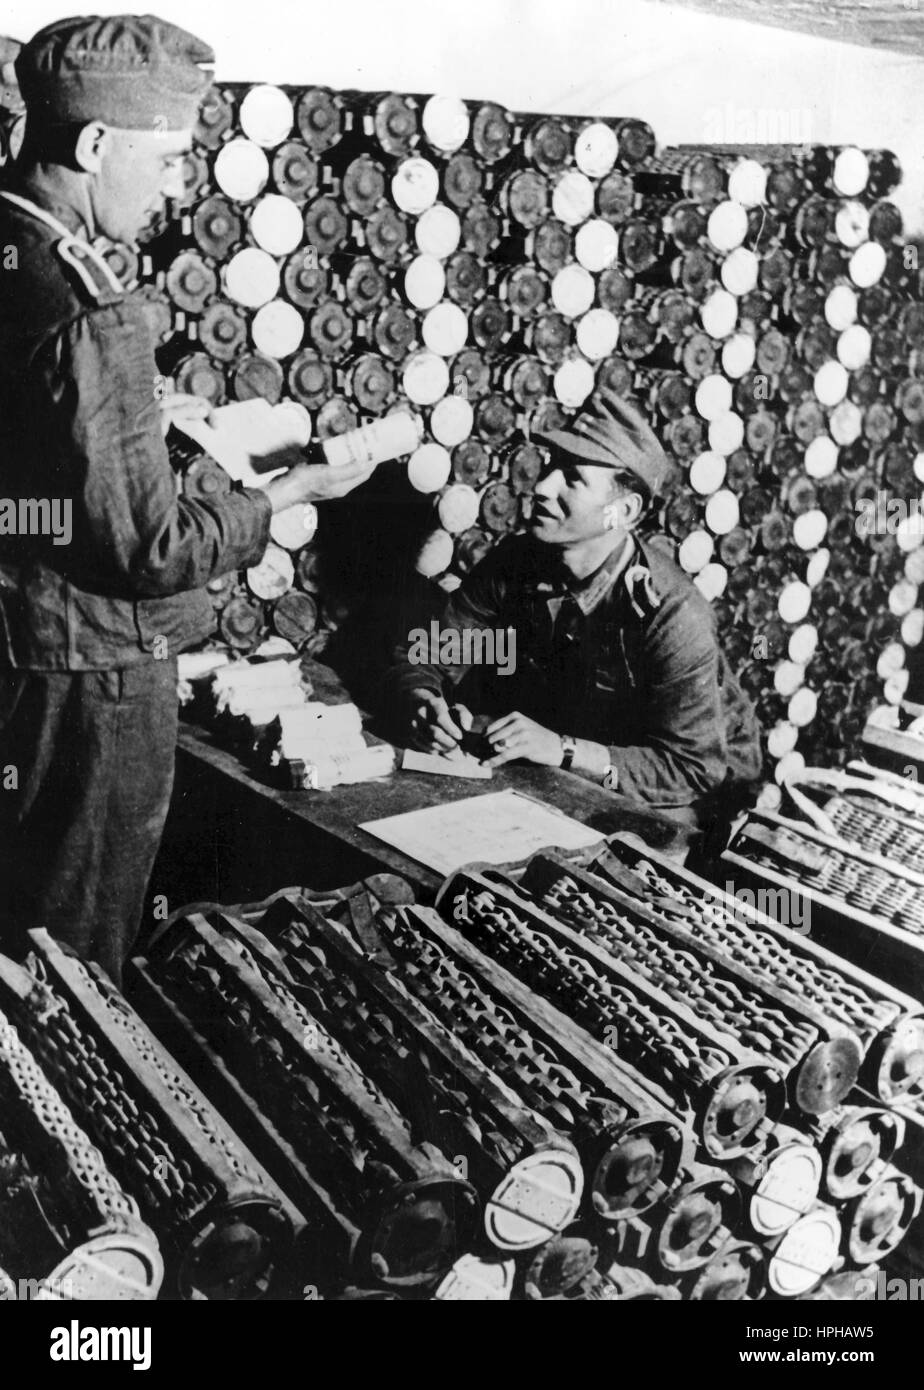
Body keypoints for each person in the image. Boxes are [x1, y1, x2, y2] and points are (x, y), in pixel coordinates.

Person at [0, 15, 375, 983]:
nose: (177, 188)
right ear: (92, 145)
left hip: (15, 651)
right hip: (90, 676)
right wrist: (295, 485)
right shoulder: (94, 307)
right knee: (70, 949)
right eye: (166, 160)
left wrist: (149, 415)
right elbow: (147, 552)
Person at [385, 388, 763, 825]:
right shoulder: (516, 562)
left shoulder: (673, 615)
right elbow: (431, 653)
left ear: (622, 511)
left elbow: (692, 770)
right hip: (576, 753)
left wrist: (563, 748)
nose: (542, 488)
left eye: (573, 478)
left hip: (689, 793)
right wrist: (423, 703)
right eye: (550, 468)